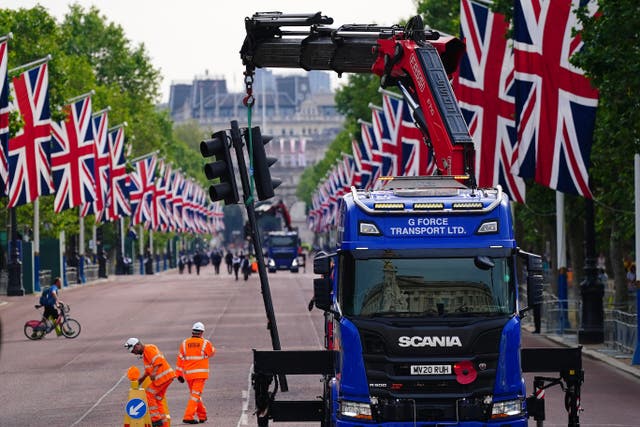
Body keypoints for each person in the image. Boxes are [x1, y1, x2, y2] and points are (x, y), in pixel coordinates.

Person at [124, 338, 176, 427]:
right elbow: (149, 370)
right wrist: (142, 379)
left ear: (137, 345)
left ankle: (156, 420)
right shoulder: (147, 352)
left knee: (148, 394)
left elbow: (158, 361)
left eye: (134, 350)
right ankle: (163, 424)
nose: (134, 353)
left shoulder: (148, 349)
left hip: (162, 378)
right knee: (158, 399)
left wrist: (154, 372)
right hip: (167, 377)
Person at [175, 322, 216, 424]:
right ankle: (188, 417)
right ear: (202, 332)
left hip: (189, 375)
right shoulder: (205, 343)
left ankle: (202, 416)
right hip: (200, 375)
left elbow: (180, 359)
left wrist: (179, 374)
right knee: (195, 395)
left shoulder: (184, 343)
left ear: (192, 331)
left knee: (195, 395)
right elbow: (211, 352)